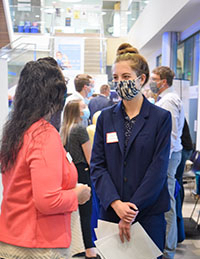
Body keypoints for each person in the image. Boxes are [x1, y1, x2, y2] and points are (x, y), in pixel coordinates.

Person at [0, 60, 91, 259]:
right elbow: (48, 201)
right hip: (39, 243)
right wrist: (78, 195)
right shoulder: (44, 134)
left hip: (13, 235)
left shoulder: (14, 131)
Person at [90, 43, 171, 259]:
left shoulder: (160, 118)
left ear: (141, 79)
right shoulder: (105, 118)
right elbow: (97, 166)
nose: (119, 82)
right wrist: (117, 204)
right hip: (111, 214)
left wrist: (132, 209)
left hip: (147, 214)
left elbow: (158, 169)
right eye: (115, 77)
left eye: (125, 76)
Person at [150, 66, 185, 259]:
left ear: (163, 82)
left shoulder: (169, 101)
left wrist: (161, 161)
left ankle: (168, 251)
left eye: (154, 79)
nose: (151, 82)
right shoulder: (166, 100)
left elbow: (170, 136)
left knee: (168, 202)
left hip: (169, 157)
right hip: (170, 156)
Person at [60, 100, 100, 259]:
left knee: (75, 212)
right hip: (83, 172)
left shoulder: (63, 129)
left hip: (70, 173)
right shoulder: (80, 130)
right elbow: (90, 158)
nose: (87, 109)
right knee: (87, 212)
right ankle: (89, 248)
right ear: (76, 112)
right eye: (83, 107)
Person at [175, 118, 193, 242]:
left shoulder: (169, 104)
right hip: (184, 147)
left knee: (176, 184)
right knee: (177, 183)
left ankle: (178, 219)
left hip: (183, 149)